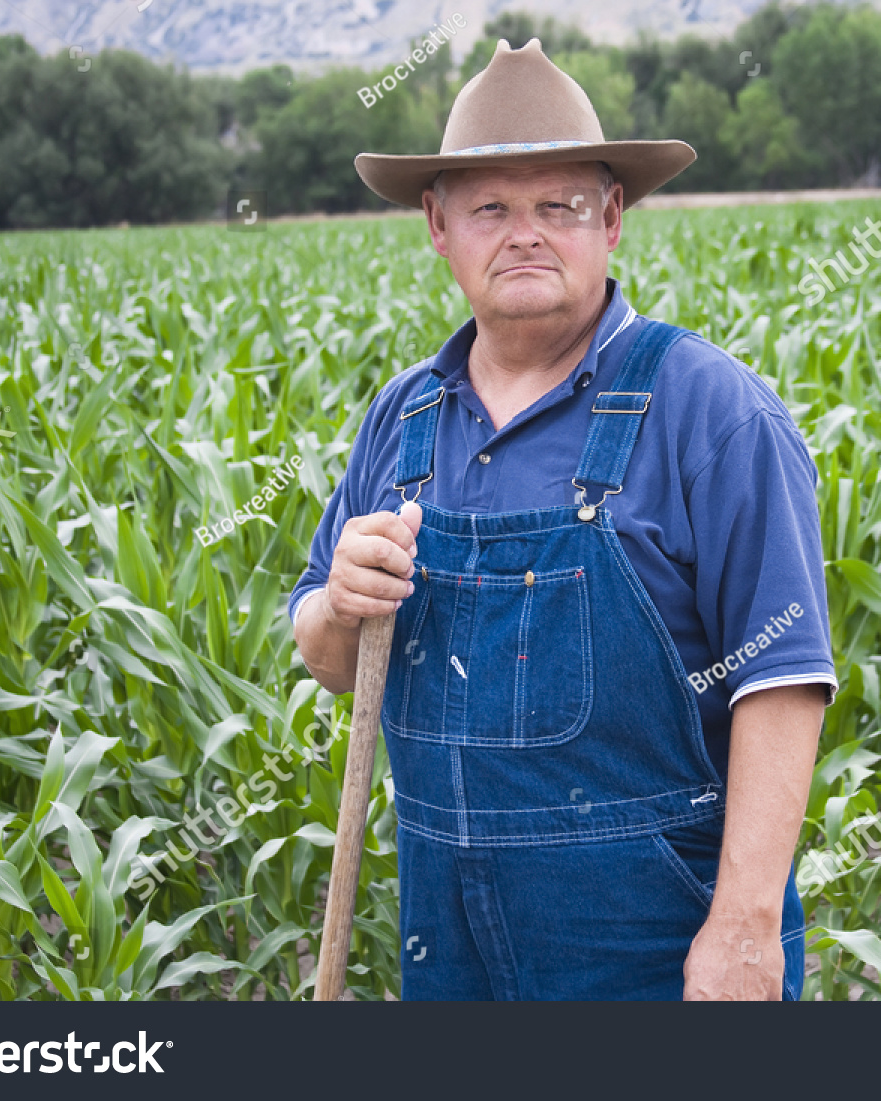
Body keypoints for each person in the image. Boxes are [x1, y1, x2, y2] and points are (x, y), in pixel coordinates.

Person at [291, 38, 836, 1000]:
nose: (526, 234)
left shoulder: (710, 409)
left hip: (654, 947)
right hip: (446, 944)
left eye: (561, 206)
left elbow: (783, 679)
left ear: (613, 218)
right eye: (492, 207)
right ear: (438, 224)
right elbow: (327, 660)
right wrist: (339, 603)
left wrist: (746, 925)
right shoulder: (402, 417)